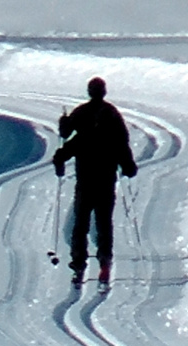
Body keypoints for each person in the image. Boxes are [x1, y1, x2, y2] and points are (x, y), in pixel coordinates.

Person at [53, 77, 138, 286]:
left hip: (85, 179)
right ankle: (105, 260)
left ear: (89, 92)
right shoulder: (112, 114)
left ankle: (79, 264)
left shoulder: (81, 113)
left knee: (80, 224)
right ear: (104, 92)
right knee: (103, 222)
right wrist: (128, 165)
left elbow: (66, 135)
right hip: (106, 178)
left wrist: (63, 126)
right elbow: (122, 142)